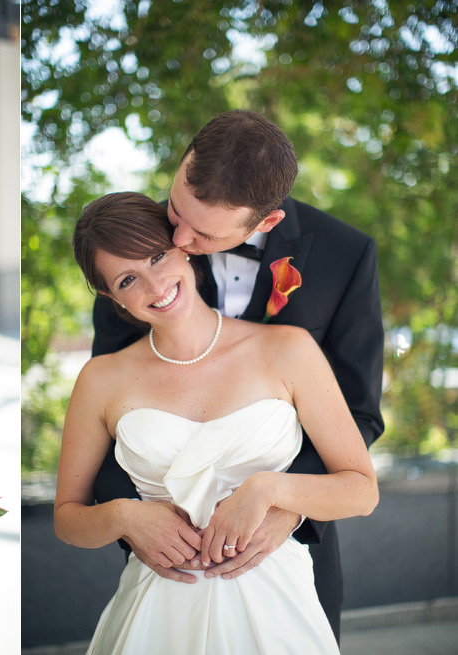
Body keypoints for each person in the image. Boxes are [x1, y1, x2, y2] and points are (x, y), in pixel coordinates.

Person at [91, 110, 385, 639]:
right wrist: (135, 523)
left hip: (290, 555)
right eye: (177, 208)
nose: (176, 238)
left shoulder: (346, 255)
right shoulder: (138, 247)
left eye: (201, 233)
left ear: (265, 222)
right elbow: (109, 409)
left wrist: (288, 509)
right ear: (184, 163)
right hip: (168, 569)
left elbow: (359, 410)